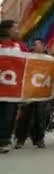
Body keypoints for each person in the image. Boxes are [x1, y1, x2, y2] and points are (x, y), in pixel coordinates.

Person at [14, 39, 50, 149]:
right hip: (28, 90)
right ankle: (20, 139)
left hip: (42, 91)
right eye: (34, 45)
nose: (35, 47)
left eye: (38, 45)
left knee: (41, 115)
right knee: (25, 116)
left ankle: (39, 139)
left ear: (44, 47)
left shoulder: (50, 60)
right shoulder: (27, 57)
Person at [0, 20, 29, 154]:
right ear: (7, 30)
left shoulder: (20, 47)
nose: (18, 31)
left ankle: (5, 140)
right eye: (15, 28)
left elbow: (29, 64)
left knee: (9, 115)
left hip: (12, 89)